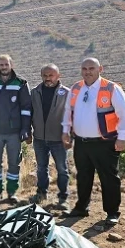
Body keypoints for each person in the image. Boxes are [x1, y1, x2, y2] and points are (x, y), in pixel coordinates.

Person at [62, 58, 125, 226]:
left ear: (100, 68)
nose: (88, 71)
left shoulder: (111, 88)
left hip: (105, 142)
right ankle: (81, 208)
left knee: (109, 178)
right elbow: (67, 112)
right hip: (81, 142)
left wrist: (122, 137)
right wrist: (66, 131)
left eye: (91, 68)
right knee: (83, 176)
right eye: (84, 68)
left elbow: (124, 114)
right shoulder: (76, 88)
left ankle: (112, 212)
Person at [0, 54, 32, 203]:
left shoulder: (20, 83)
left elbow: (26, 108)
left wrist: (25, 128)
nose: (3, 67)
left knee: (14, 162)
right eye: (1, 65)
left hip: (14, 131)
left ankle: (12, 192)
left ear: (11, 65)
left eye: (6, 64)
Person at [29, 64, 70, 210]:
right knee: (41, 168)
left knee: (62, 169)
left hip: (59, 139)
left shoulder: (67, 93)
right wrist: (28, 132)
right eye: (45, 75)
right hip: (39, 138)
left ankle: (63, 198)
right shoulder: (35, 92)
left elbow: (71, 116)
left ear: (58, 76)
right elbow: (30, 113)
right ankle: (41, 193)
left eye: (51, 75)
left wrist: (69, 135)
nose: (48, 78)